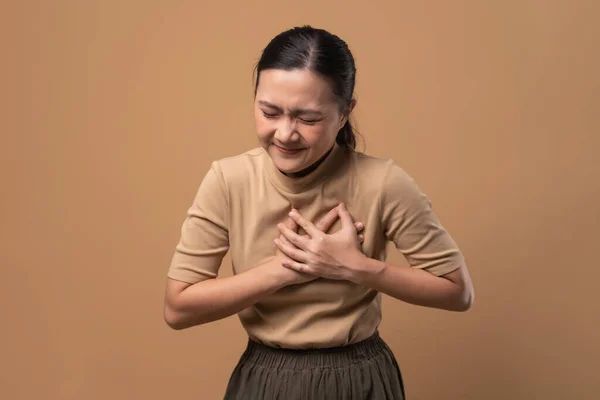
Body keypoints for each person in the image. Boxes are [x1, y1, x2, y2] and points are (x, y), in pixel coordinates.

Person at [163, 25, 474, 399]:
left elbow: (458, 292)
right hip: (265, 379)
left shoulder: (383, 182)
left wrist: (353, 267)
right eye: (269, 112)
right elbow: (178, 308)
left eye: (307, 119)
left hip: (360, 379)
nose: (284, 134)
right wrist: (284, 269)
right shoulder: (228, 180)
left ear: (344, 114)